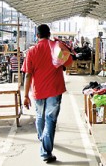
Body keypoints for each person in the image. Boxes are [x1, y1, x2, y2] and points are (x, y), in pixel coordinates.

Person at [22, 24, 72, 163]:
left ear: (37, 36)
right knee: (50, 120)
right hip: (55, 90)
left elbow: (27, 75)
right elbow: (68, 63)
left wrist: (25, 95)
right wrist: (62, 46)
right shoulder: (56, 47)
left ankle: (43, 140)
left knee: (40, 117)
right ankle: (45, 152)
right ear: (49, 34)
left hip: (38, 90)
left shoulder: (32, 51)